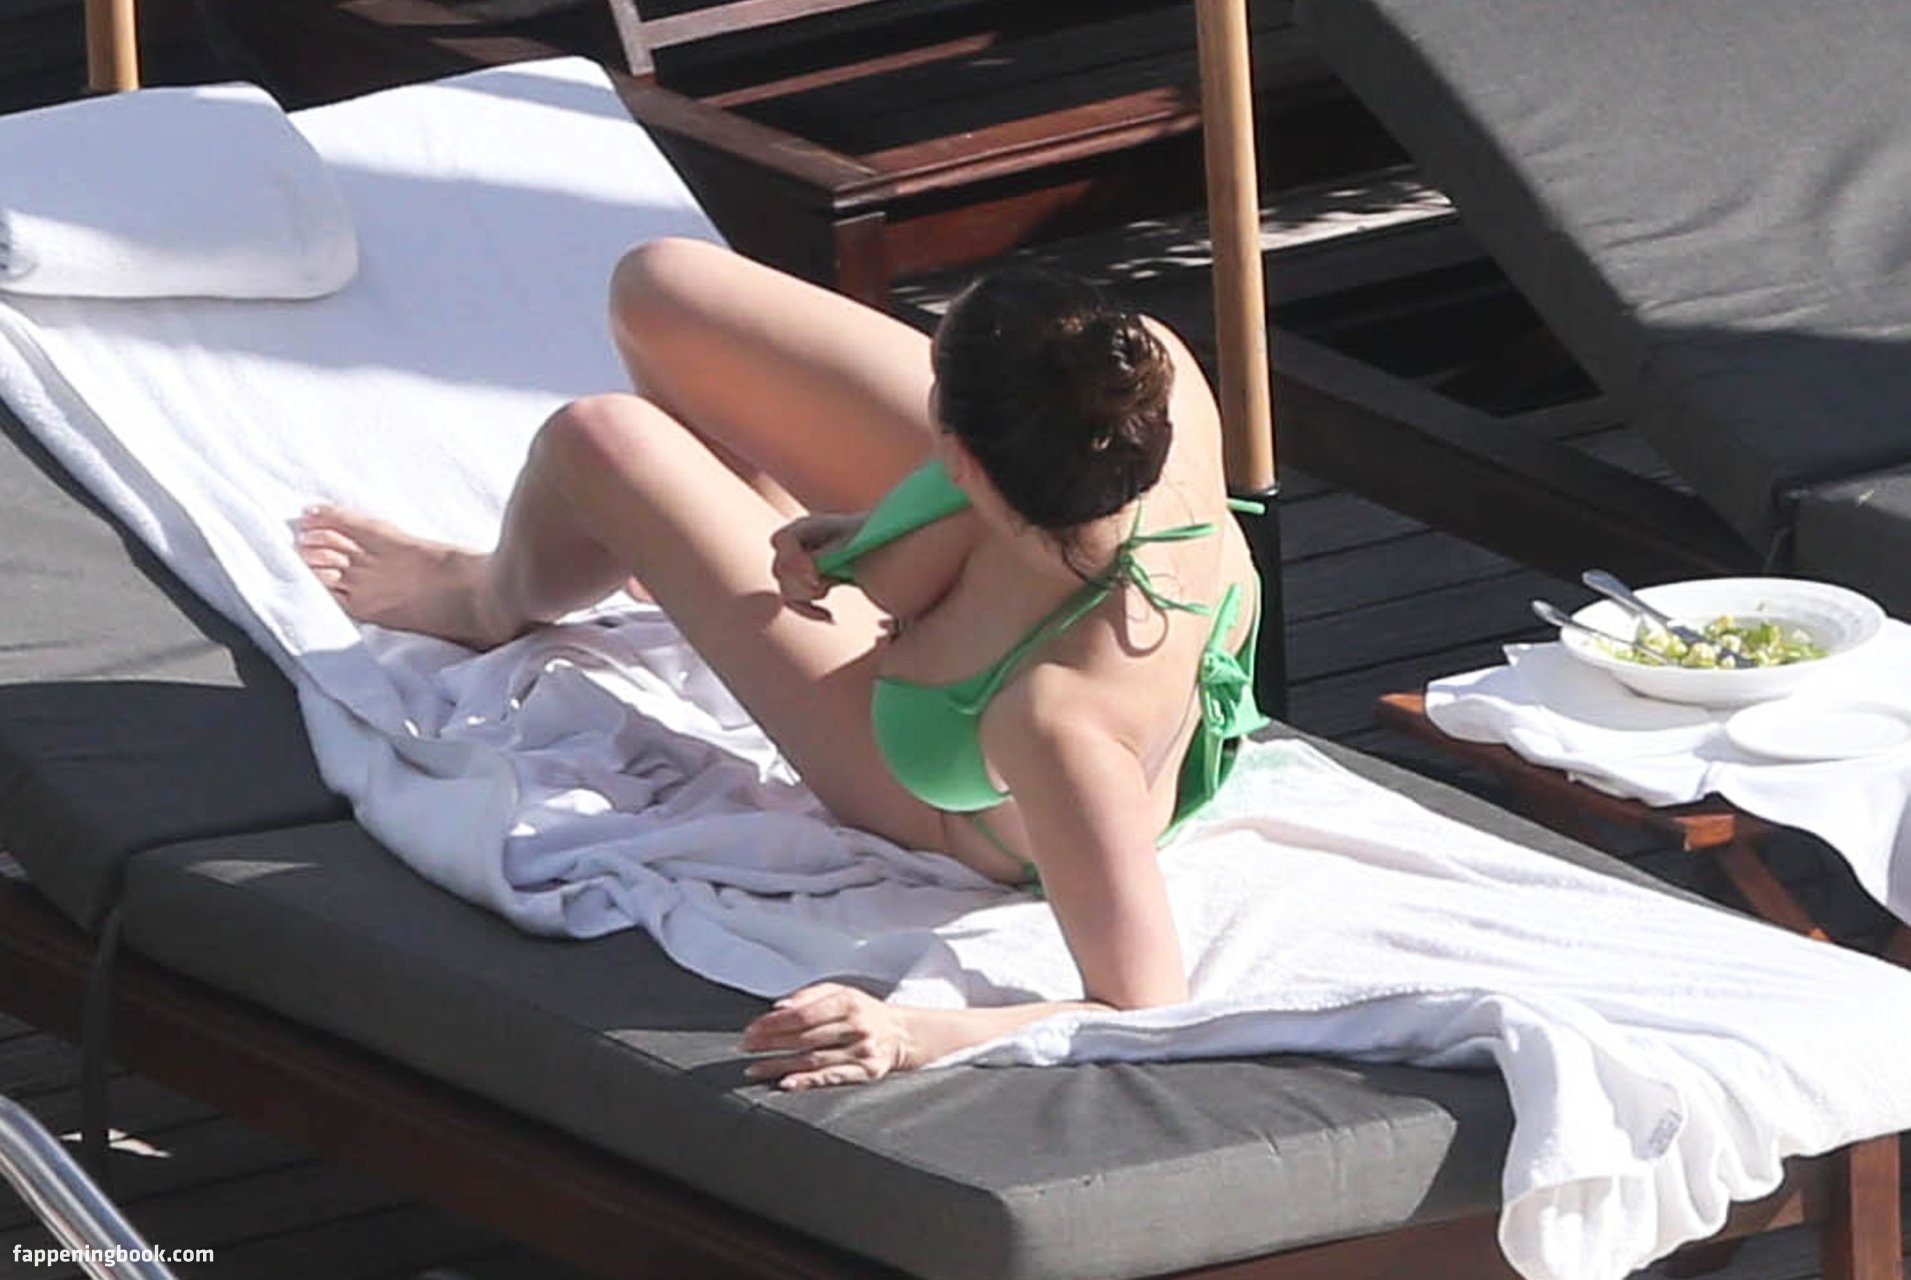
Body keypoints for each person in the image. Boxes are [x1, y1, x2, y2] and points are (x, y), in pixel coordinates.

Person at [296, 237, 1267, 1089]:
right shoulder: (1152, 384)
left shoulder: (1056, 724)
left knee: (599, 439)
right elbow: (998, 519)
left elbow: (1143, 1003)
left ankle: (483, 597)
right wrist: (868, 536)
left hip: (960, 798)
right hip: (1046, 554)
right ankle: (708, 529)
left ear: (963, 462)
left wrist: (911, 1032)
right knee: (662, 288)